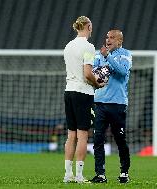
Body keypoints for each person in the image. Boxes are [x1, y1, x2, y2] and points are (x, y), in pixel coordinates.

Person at [63, 16, 104, 183]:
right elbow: (87, 73)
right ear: (89, 27)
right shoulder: (88, 47)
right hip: (83, 93)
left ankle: (68, 174)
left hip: (69, 91)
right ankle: (79, 176)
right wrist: (97, 83)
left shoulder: (68, 46)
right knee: (83, 135)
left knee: (71, 135)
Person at [90, 30, 132, 184]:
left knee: (120, 139)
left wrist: (108, 57)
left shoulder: (125, 54)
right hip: (100, 102)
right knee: (98, 139)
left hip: (118, 103)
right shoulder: (97, 54)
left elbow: (122, 71)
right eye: (107, 37)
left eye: (112, 38)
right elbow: (92, 74)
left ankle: (124, 172)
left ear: (120, 41)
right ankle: (100, 174)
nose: (108, 40)